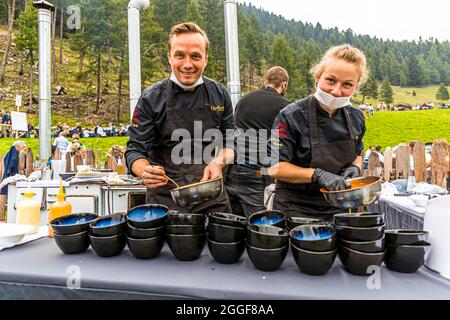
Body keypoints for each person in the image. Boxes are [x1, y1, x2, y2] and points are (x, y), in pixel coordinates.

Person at [125, 22, 235, 213]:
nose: (187, 64)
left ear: (205, 59)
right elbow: (134, 150)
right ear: (169, 57)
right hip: (165, 199)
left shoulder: (219, 94)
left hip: (212, 198)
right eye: (180, 55)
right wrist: (144, 171)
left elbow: (232, 142)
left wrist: (218, 162)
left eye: (195, 56)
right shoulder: (151, 98)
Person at [267, 44, 367, 220]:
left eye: (347, 84)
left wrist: (355, 167)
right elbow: (275, 168)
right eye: (330, 80)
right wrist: (317, 175)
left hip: (337, 209)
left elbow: (358, 153)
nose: (336, 91)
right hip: (294, 210)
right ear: (317, 76)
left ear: (356, 85)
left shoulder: (356, 117)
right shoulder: (290, 116)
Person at [225, 66, 290, 217]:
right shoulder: (285, 106)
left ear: (266, 80)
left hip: (232, 169)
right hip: (257, 173)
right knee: (259, 225)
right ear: (284, 84)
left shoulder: (244, 99)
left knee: (233, 222)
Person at [0, 140, 26, 221]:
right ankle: (2, 217)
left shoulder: (10, 152)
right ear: (18, 147)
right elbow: (12, 166)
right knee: (5, 196)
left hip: (5, 177)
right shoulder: (14, 154)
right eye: (23, 147)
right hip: (9, 178)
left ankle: (2, 217)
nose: (24, 148)